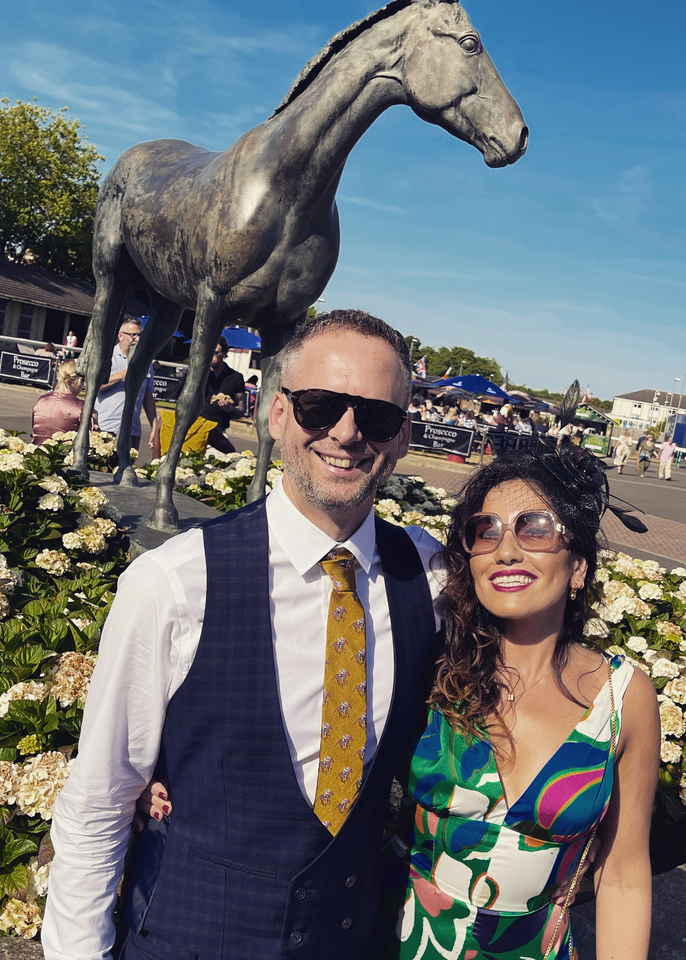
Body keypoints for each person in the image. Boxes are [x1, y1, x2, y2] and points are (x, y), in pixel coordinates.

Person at [137, 447, 660, 960]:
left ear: (579, 567)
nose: (506, 549)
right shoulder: (433, 662)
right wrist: (163, 769)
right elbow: (288, 714)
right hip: (397, 941)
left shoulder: (620, 698)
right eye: (486, 530)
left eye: (535, 528)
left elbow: (623, 877)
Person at [42, 310, 444, 960]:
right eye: (321, 406)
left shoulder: (429, 577)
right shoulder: (174, 583)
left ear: (400, 437)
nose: (347, 433)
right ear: (278, 414)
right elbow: (98, 803)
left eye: (375, 416)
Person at [95, 317, 161, 453]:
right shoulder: (107, 357)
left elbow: (148, 397)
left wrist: (154, 427)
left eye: (139, 335)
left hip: (132, 430)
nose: (137, 339)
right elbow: (94, 385)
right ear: (120, 335)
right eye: (133, 335)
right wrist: (121, 375)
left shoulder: (146, 363)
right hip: (106, 427)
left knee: (127, 471)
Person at [31, 360, 96, 445]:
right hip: (63, 455)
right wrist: (94, 419)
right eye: (83, 381)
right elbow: (92, 438)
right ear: (79, 380)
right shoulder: (81, 406)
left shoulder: (41, 400)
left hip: (36, 454)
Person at [200, 337, 246, 453]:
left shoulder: (236, 377)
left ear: (225, 354)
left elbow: (242, 410)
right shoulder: (198, 375)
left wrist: (229, 409)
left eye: (216, 352)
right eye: (208, 351)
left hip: (218, 432)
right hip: (195, 429)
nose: (211, 355)